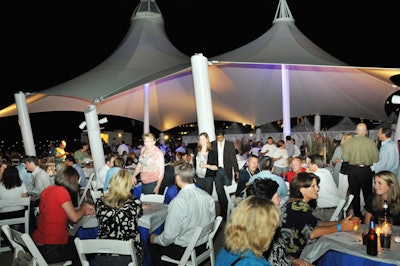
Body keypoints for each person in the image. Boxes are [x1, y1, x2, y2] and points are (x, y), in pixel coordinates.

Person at [281, 172, 360, 259]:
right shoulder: (299, 206)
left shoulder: (294, 202)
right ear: (302, 189)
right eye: (313, 186)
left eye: (317, 185)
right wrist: (340, 227)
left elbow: (317, 223)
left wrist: (341, 222)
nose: (317, 189)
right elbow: (312, 233)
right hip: (295, 255)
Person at [149, 162, 215, 265]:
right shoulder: (207, 196)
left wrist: (155, 239)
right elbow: (211, 221)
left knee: (150, 244)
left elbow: (169, 236)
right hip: (202, 246)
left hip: (185, 250)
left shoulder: (179, 201)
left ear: (178, 178)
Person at [32, 166, 95, 265]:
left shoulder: (48, 190)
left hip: (40, 244)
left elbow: (63, 211)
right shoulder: (61, 191)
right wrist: (83, 209)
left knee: (79, 242)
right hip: (52, 248)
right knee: (88, 249)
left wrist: (81, 210)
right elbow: (74, 218)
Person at [246, 178, 313, 266]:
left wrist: (293, 260)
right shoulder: (259, 238)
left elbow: (281, 251)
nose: (280, 200)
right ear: (267, 205)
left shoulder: (272, 226)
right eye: (277, 197)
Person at [94, 169, 143, 265]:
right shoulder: (135, 204)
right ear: (129, 185)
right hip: (128, 257)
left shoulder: (100, 203)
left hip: (103, 256)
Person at [215, 196, 281, 266]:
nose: (273, 233)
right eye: (273, 228)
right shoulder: (256, 263)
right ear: (263, 233)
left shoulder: (224, 251)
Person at [342, 123, 379, 218]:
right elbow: (376, 158)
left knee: (354, 194)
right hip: (366, 170)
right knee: (368, 194)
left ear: (356, 131)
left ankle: (358, 216)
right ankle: (369, 215)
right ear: (366, 132)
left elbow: (345, 159)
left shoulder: (349, 142)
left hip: (353, 170)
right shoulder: (371, 142)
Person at [211, 128, 239, 221]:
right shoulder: (212, 144)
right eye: (218, 137)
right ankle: (223, 212)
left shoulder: (229, 144)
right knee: (219, 192)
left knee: (227, 191)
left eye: (221, 137)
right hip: (217, 171)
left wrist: (236, 170)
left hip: (227, 170)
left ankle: (228, 211)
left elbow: (233, 158)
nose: (219, 138)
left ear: (224, 136)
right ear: (216, 136)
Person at [307, 154, 341, 220]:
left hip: (327, 212)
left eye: (309, 163)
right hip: (336, 208)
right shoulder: (326, 171)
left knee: (303, 213)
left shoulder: (315, 176)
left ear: (314, 164)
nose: (308, 165)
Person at [331, 133, 353, 198]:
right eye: (348, 139)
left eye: (351, 139)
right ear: (344, 139)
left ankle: (341, 205)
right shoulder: (339, 148)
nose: (350, 140)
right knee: (339, 190)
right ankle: (339, 204)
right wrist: (342, 160)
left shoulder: (354, 149)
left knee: (345, 190)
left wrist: (341, 160)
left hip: (350, 171)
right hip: (340, 170)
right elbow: (333, 160)